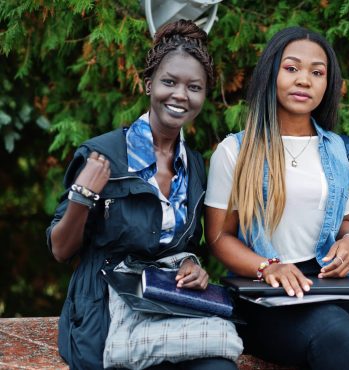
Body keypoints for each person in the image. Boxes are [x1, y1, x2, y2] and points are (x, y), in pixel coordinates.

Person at [47, 20, 242, 370]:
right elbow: (61, 250)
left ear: (204, 95)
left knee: (219, 365)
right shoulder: (103, 155)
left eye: (194, 87)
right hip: (105, 311)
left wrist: (190, 266)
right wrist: (82, 196)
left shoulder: (195, 164)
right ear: (149, 84)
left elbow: (182, 247)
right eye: (169, 82)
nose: (180, 95)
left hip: (167, 306)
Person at [204, 27, 349, 370]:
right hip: (261, 290)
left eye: (317, 72)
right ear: (271, 73)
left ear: (328, 84)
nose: (304, 80)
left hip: (325, 284)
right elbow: (219, 237)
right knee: (336, 336)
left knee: (347, 331)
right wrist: (268, 267)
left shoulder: (340, 150)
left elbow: (344, 222)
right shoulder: (235, 151)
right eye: (291, 68)